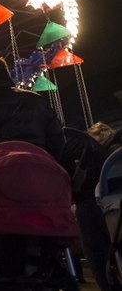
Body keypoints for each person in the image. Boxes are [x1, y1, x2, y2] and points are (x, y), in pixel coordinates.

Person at [61, 121, 120, 291]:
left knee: (98, 254)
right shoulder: (113, 153)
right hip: (113, 203)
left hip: (92, 203)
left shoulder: (81, 148)